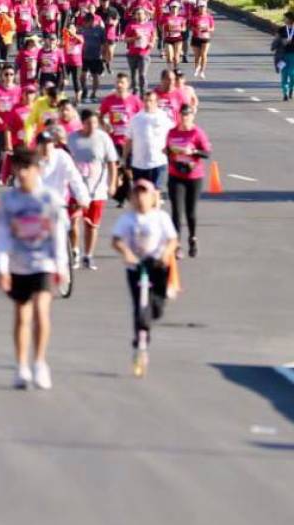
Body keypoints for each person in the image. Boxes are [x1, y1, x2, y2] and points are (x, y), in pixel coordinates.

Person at [0, 148, 70, 390]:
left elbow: (59, 234)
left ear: (38, 170)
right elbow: (2, 235)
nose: (22, 173)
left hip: (44, 262)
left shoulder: (50, 199)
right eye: (19, 168)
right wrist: (2, 268)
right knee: (22, 315)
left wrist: (62, 266)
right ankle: (21, 366)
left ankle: (39, 363)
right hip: (19, 263)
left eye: (27, 168)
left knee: (41, 310)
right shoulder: (10, 200)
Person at [112, 179, 178, 377]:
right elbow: (116, 241)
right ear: (132, 197)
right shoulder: (127, 219)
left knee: (155, 307)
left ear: (152, 197)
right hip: (135, 266)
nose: (140, 198)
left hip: (157, 264)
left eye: (144, 193)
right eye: (137, 194)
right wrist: (126, 253)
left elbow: (172, 240)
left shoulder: (160, 218)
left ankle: (151, 315)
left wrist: (166, 254)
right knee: (139, 306)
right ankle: (139, 342)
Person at [66, 109, 119, 269]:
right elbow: (65, 161)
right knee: (73, 221)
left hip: (97, 189)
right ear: (82, 123)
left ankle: (88, 255)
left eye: (95, 123)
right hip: (75, 189)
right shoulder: (72, 138)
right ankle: (74, 252)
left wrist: (112, 183)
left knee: (92, 224)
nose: (92, 126)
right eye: (89, 123)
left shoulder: (103, 138)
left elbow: (111, 162)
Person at [165, 104, 210, 258]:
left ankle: (192, 238)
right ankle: (176, 245)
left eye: (188, 115)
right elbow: (167, 150)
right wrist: (171, 154)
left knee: (190, 212)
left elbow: (207, 153)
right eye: (182, 115)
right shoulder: (172, 132)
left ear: (192, 116)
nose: (185, 118)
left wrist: (194, 152)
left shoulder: (197, 132)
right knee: (176, 212)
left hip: (194, 176)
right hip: (176, 175)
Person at [124, 89, 174, 192]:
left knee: (155, 193)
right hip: (138, 164)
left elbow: (173, 135)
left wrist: (172, 153)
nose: (148, 103)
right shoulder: (135, 119)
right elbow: (128, 140)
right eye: (146, 100)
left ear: (156, 102)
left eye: (151, 101)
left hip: (158, 162)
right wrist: (125, 159)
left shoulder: (163, 118)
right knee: (141, 195)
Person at [0, 65, 23, 181]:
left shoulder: (19, 90)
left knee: (13, 151)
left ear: (14, 76)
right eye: (6, 74)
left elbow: (23, 106)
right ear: (2, 76)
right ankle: (0, 174)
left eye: (11, 74)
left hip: (14, 128)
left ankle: (13, 175)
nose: (9, 77)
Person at [125, 7, 155, 95]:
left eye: (141, 13)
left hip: (144, 54)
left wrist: (152, 43)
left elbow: (153, 36)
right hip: (132, 54)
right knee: (133, 75)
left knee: (142, 75)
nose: (139, 15)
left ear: (145, 15)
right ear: (134, 15)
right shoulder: (130, 26)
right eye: (137, 14)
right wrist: (134, 38)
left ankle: (143, 93)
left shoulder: (149, 25)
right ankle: (135, 90)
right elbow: (126, 39)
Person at [80, 16, 107, 102]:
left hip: (96, 56)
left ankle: (94, 93)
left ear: (92, 21)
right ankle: (84, 90)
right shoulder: (82, 30)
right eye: (85, 22)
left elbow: (104, 44)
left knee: (95, 75)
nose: (85, 24)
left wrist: (104, 56)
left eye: (87, 22)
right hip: (84, 56)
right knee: (82, 75)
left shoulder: (100, 30)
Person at [187, 3, 213, 78]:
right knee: (197, 56)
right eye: (200, 7)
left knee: (204, 54)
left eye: (203, 7)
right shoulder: (194, 17)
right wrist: (195, 29)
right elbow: (190, 27)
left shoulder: (209, 17)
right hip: (196, 37)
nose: (202, 9)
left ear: (206, 8)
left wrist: (208, 29)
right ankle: (196, 68)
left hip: (206, 37)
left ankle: (202, 71)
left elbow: (212, 28)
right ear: (198, 8)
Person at [160, 2, 187, 69]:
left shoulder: (181, 18)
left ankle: (175, 69)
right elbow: (160, 26)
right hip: (168, 38)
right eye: (172, 7)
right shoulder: (166, 18)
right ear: (170, 8)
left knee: (176, 57)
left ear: (178, 9)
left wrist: (178, 29)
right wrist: (164, 30)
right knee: (169, 57)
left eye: (176, 8)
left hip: (178, 38)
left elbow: (184, 29)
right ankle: (170, 69)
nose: (174, 9)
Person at [63, 23, 85, 102]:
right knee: (63, 80)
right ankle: (60, 97)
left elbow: (81, 41)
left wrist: (73, 34)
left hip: (77, 64)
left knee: (76, 80)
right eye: (69, 28)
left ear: (75, 29)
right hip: (67, 63)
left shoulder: (79, 37)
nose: (71, 30)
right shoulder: (65, 38)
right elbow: (60, 46)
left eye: (72, 28)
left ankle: (77, 98)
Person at [276, 12, 294, 101]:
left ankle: (291, 88)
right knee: (284, 74)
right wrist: (282, 41)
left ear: (290, 19)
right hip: (283, 55)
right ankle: (285, 93)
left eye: (285, 18)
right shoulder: (281, 29)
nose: (283, 20)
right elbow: (276, 41)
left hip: (293, 55)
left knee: (292, 74)